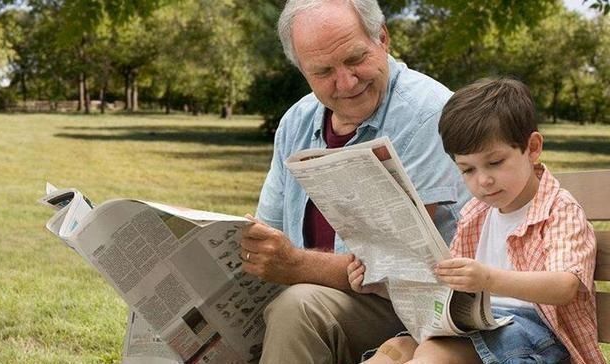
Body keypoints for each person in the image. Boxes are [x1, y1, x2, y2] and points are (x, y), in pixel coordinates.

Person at [238, 0, 470, 362]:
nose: (346, 82)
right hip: (330, 301)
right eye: (323, 71)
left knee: (298, 307)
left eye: (354, 59)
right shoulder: (296, 122)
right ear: (303, 71)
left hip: (421, 312)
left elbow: (395, 265)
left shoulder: (430, 113)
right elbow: (271, 231)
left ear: (383, 38)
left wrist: (296, 265)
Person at [349, 78, 605, 364]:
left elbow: (565, 287)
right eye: (467, 170)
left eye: (495, 162)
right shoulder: (476, 213)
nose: (483, 180)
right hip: (477, 324)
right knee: (395, 350)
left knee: (434, 354)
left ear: (532, 148)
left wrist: (489, 280)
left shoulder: (558, 209)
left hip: (538, 337)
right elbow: (444, 289)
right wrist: (380, 284)